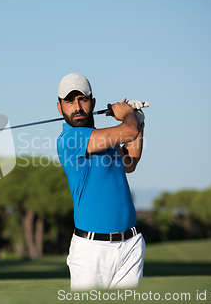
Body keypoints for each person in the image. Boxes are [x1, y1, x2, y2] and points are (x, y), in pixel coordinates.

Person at [56, 73, 146, 290]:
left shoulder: (104, 137)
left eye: (82, 100)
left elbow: (130, 162)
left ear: (93, 103)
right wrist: (128, 116)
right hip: (91, 251)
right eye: (69, 101)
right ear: (60, 108)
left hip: (130, 245)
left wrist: (139, 119)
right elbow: (128, 130)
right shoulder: (69, 139)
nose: (77, 107)